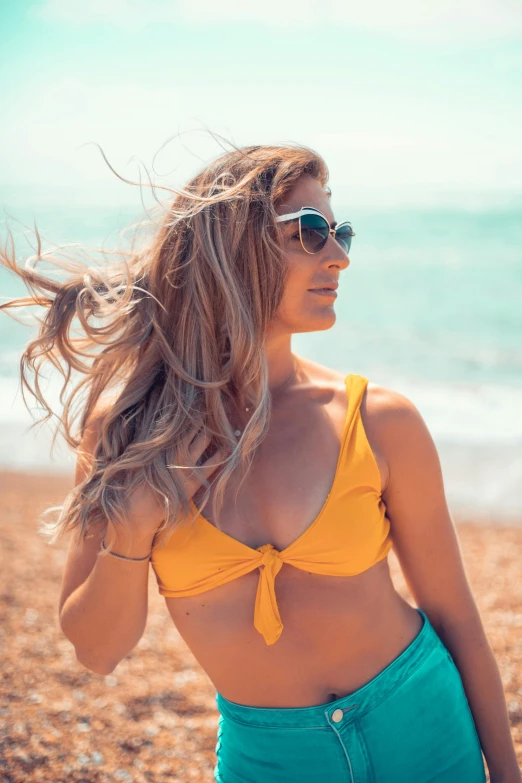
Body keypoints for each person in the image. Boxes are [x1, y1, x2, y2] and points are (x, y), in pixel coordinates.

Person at [1, 142, 519, 783]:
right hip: (270, 759)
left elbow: (456, 615)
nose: (340, 256)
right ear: (231, 248)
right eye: (311, 231)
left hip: (422, 725)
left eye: (341, 233)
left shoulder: (378, 421)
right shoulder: (126, 434)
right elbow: (97, 651)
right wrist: (132, 532)